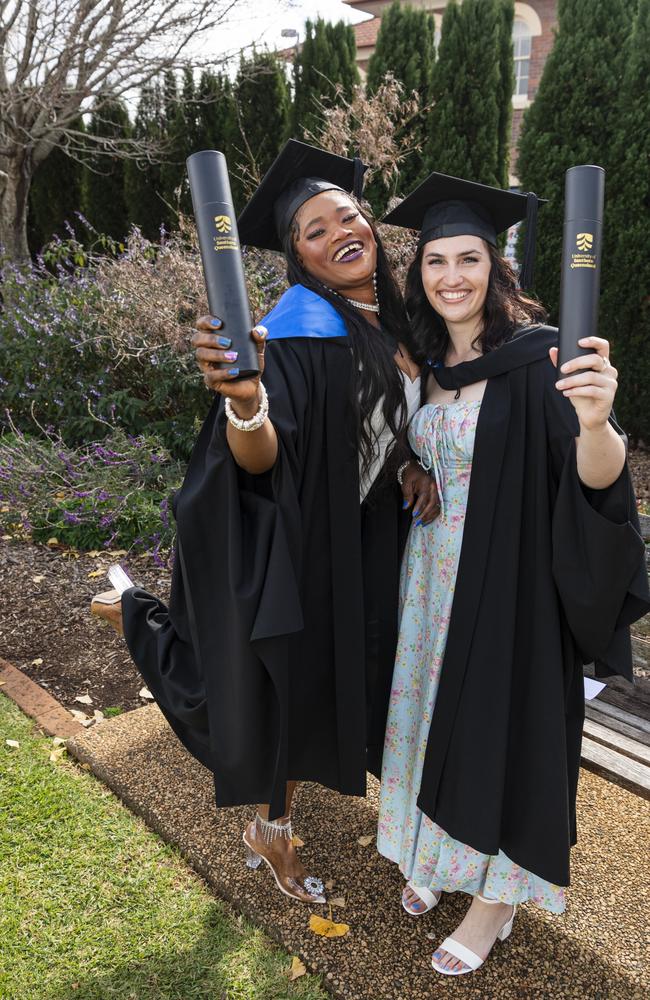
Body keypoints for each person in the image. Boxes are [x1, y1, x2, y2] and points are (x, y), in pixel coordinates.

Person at [91, 140, 438, 904]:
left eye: (347, 216)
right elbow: (256, 456)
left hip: (371, 539)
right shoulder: (294, 333)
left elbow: (396, 426)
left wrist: (410, 466)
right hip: (299, 538)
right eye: (313, 230)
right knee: (285, 683)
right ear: (298, 256)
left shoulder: (402, 320)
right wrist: (246, 405)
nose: (338, 231)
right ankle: (270, 832)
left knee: (353, 672)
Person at [374, 171, 650, 975]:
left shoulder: (541, 358)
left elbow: (597, 475)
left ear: (496, 270)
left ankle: (494, 903)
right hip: (429, 582)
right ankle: (435, 853)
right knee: (430, 719)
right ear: (419, 272)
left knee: (503, 734)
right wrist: (405, 474)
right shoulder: (422, 361)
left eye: (469, 259)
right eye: (435, 261)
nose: (451, 276)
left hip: (511, 587)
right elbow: (413, 452)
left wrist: (600, 424)